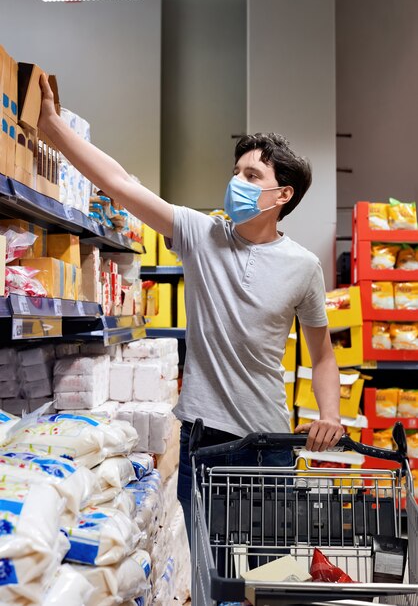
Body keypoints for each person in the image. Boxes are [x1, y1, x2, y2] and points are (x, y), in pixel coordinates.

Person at [38, 73, 344, 547]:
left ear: (282, 196)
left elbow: (322, 355)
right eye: (236, 171)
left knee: (266, 567)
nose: (236, 182)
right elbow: (119, 183)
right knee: (207, 568)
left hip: (270, 440)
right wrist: (53, 128)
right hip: (205, 437)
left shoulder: (304, 267)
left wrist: (331, 415)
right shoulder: (201, 235)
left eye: (251, 176)